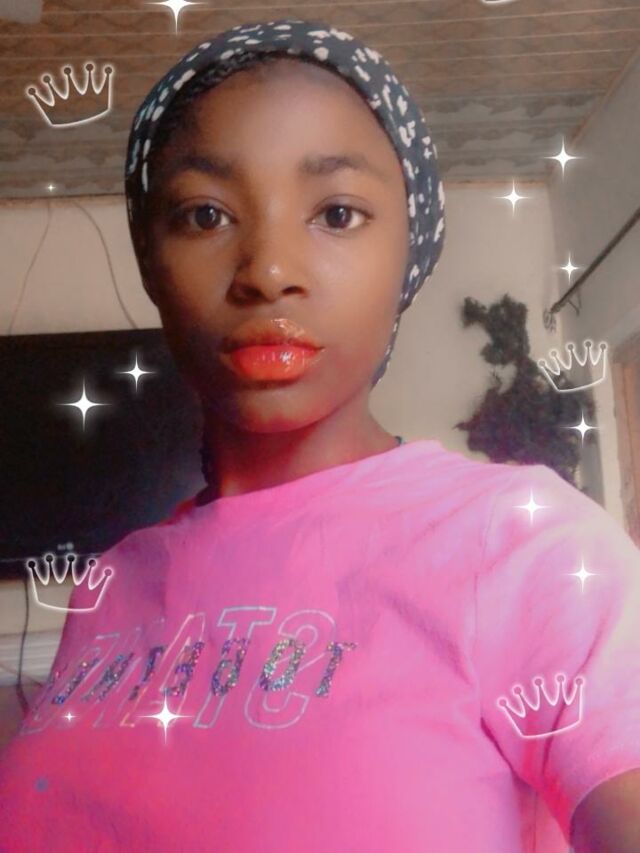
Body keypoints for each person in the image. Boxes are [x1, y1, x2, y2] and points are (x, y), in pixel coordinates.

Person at [1, 17, 640, 853]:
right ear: (152, 263)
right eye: (204, 214)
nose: (269, 270)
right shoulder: (107, 587)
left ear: (409, 252)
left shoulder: (523, 542)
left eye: (337, 212)